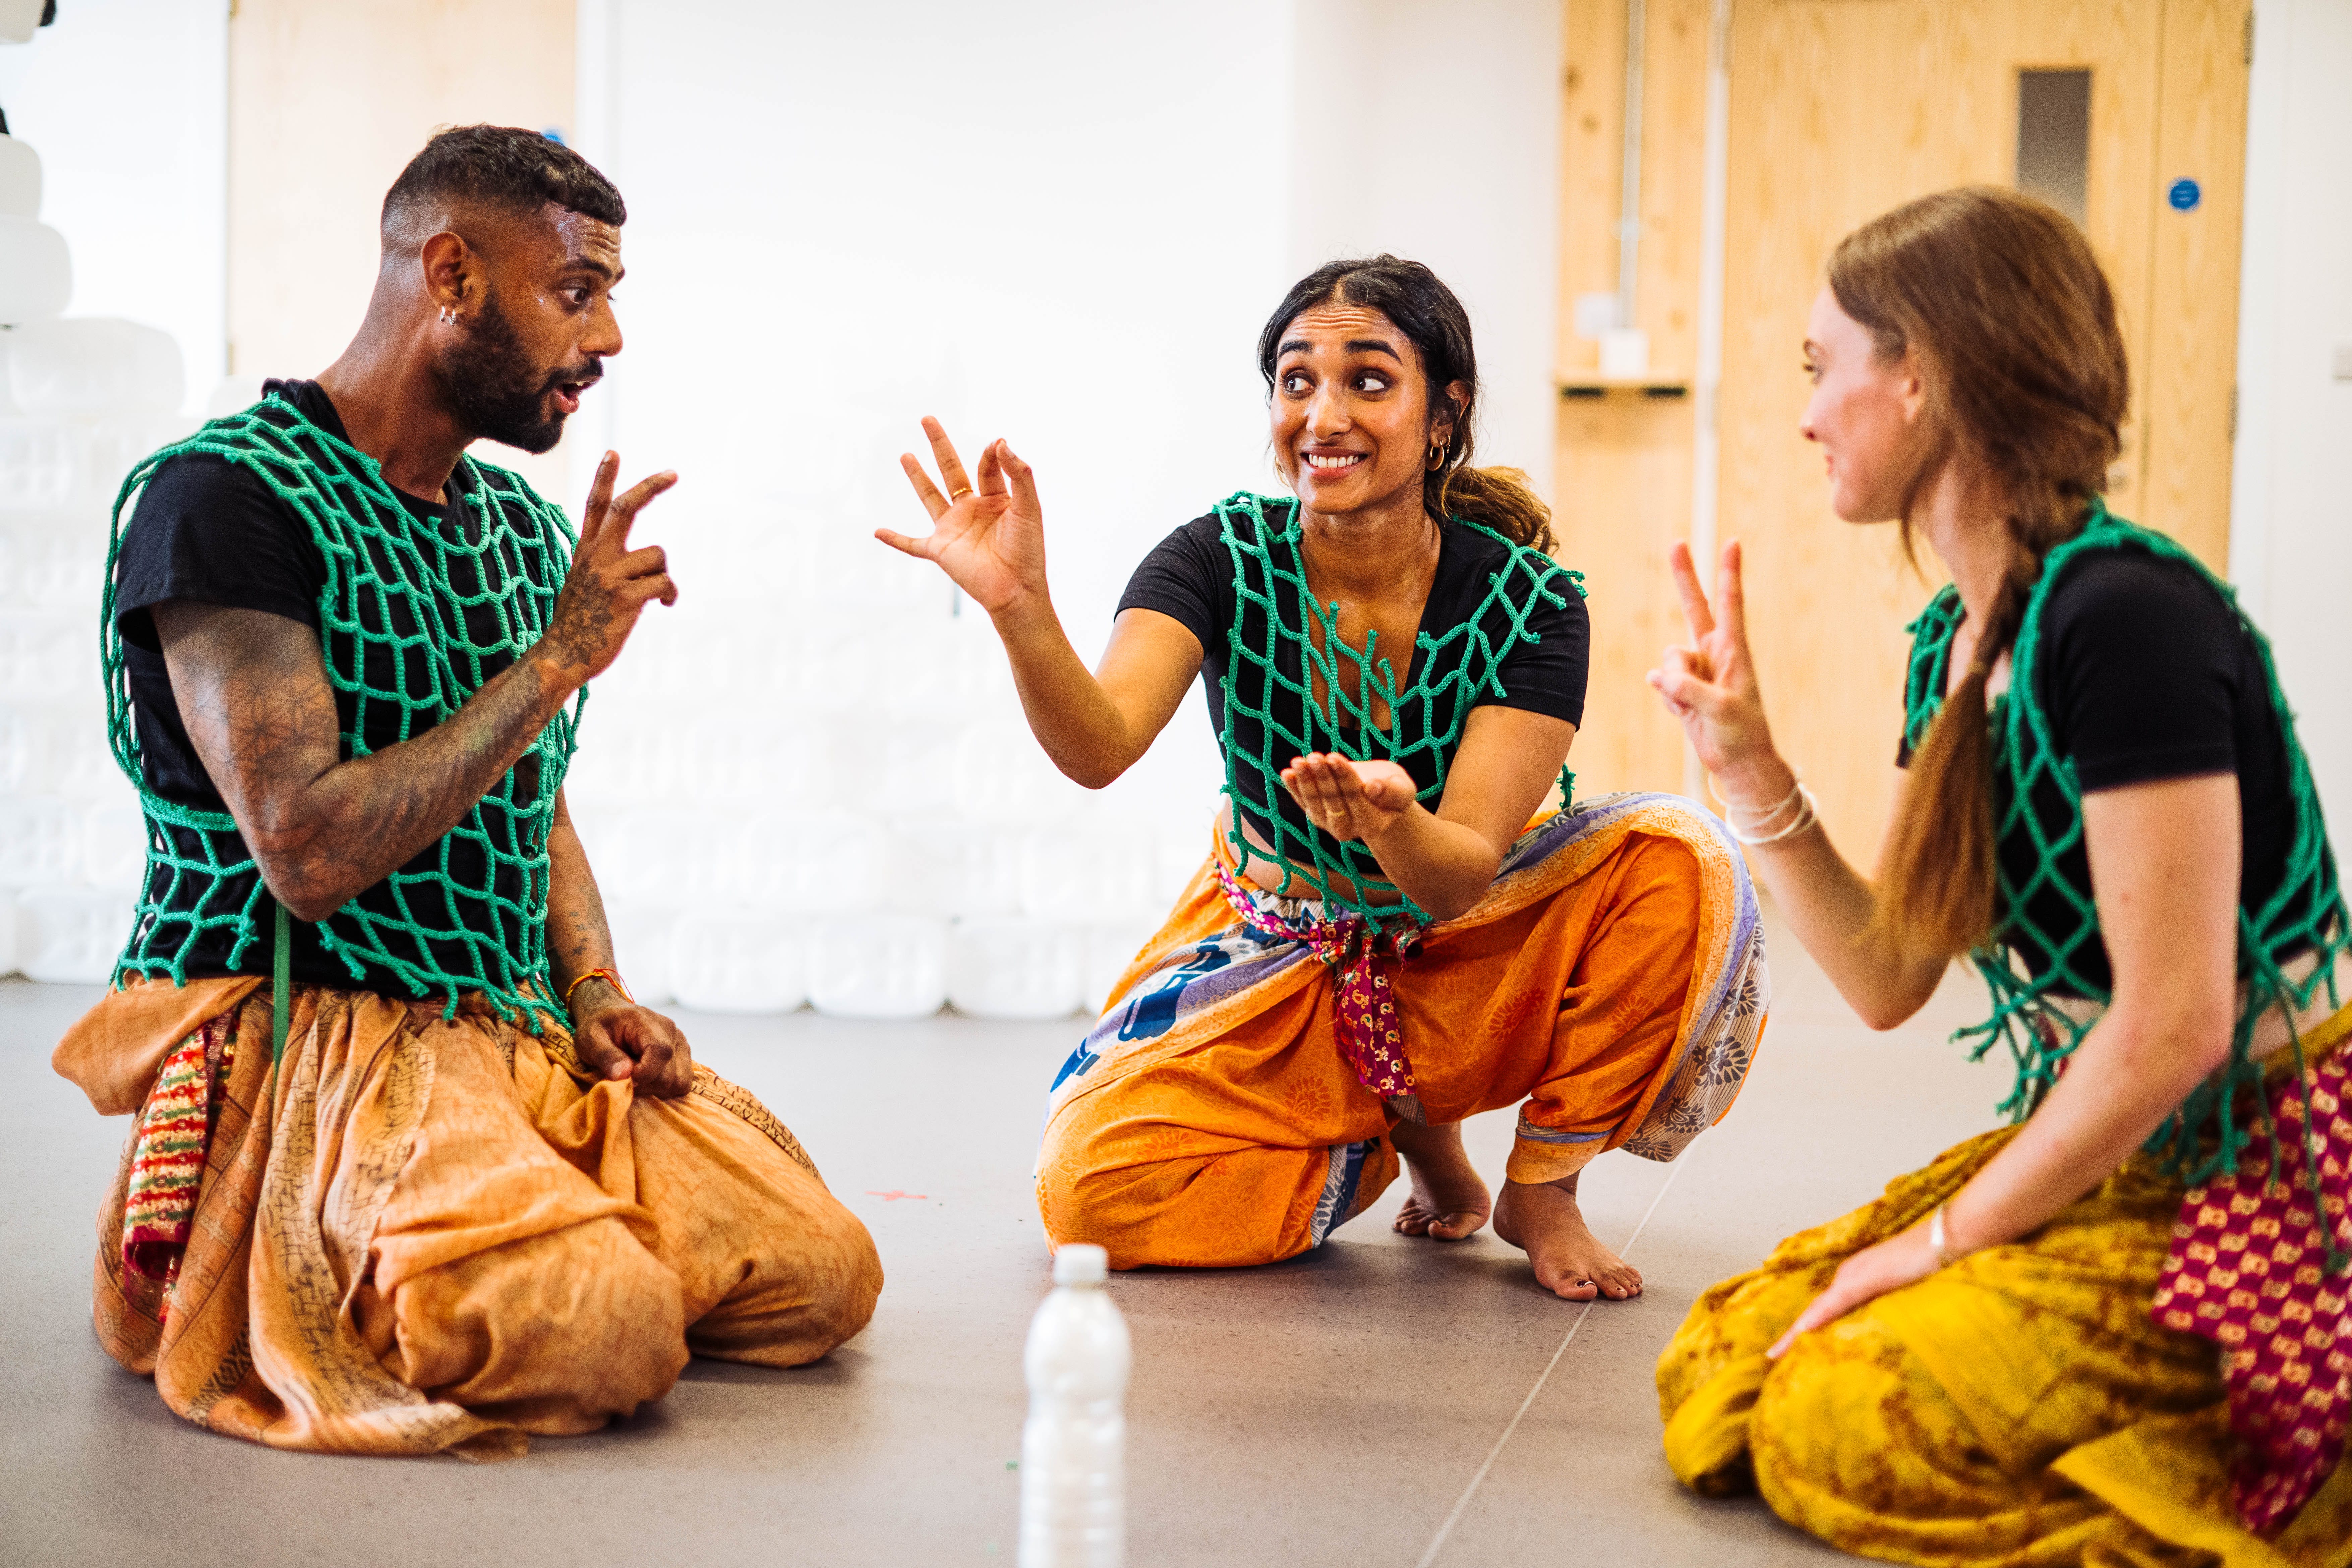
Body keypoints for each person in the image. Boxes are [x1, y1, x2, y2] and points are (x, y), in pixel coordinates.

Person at [55, 125, 881, 1460]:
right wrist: (556, 659)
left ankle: (499, 1219)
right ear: (450, 274)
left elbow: (527, 800)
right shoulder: (224, 502)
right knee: (601, 1330)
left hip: (494, 1025)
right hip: (306, 1028)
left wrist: (597, 987)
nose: (606, 334)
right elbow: (307, 852)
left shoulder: (511, 523)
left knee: (819, 1270)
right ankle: (303, 1243)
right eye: (576, 290)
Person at [1648, 187, 2352, 1562]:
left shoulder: (2123, 616)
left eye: (1819, 370)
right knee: (1728, 1356)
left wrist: (1936, 1246)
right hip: (2133, 1159)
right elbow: (1884, 978)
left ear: (1919, 375)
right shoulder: (1956, 639)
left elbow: (2172, 1027)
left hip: (2266, 1180)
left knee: (1836, 1413)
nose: (1804, 416)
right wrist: (1745, 765)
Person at [880, 255, 1766, 1301]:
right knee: (1091, 1198)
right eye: (1296, 382)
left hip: (1461, 943)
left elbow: (1458, 874)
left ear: (1446, 413)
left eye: (1369, 380)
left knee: (1685, 861)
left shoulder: (1532, 604)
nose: (1323, 413)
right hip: (1278, 945)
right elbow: (1101, 747)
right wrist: (1021, 608)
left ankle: (1544, 1190)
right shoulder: (1216, 560)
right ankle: (1386, 1129)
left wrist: (1391, 821)